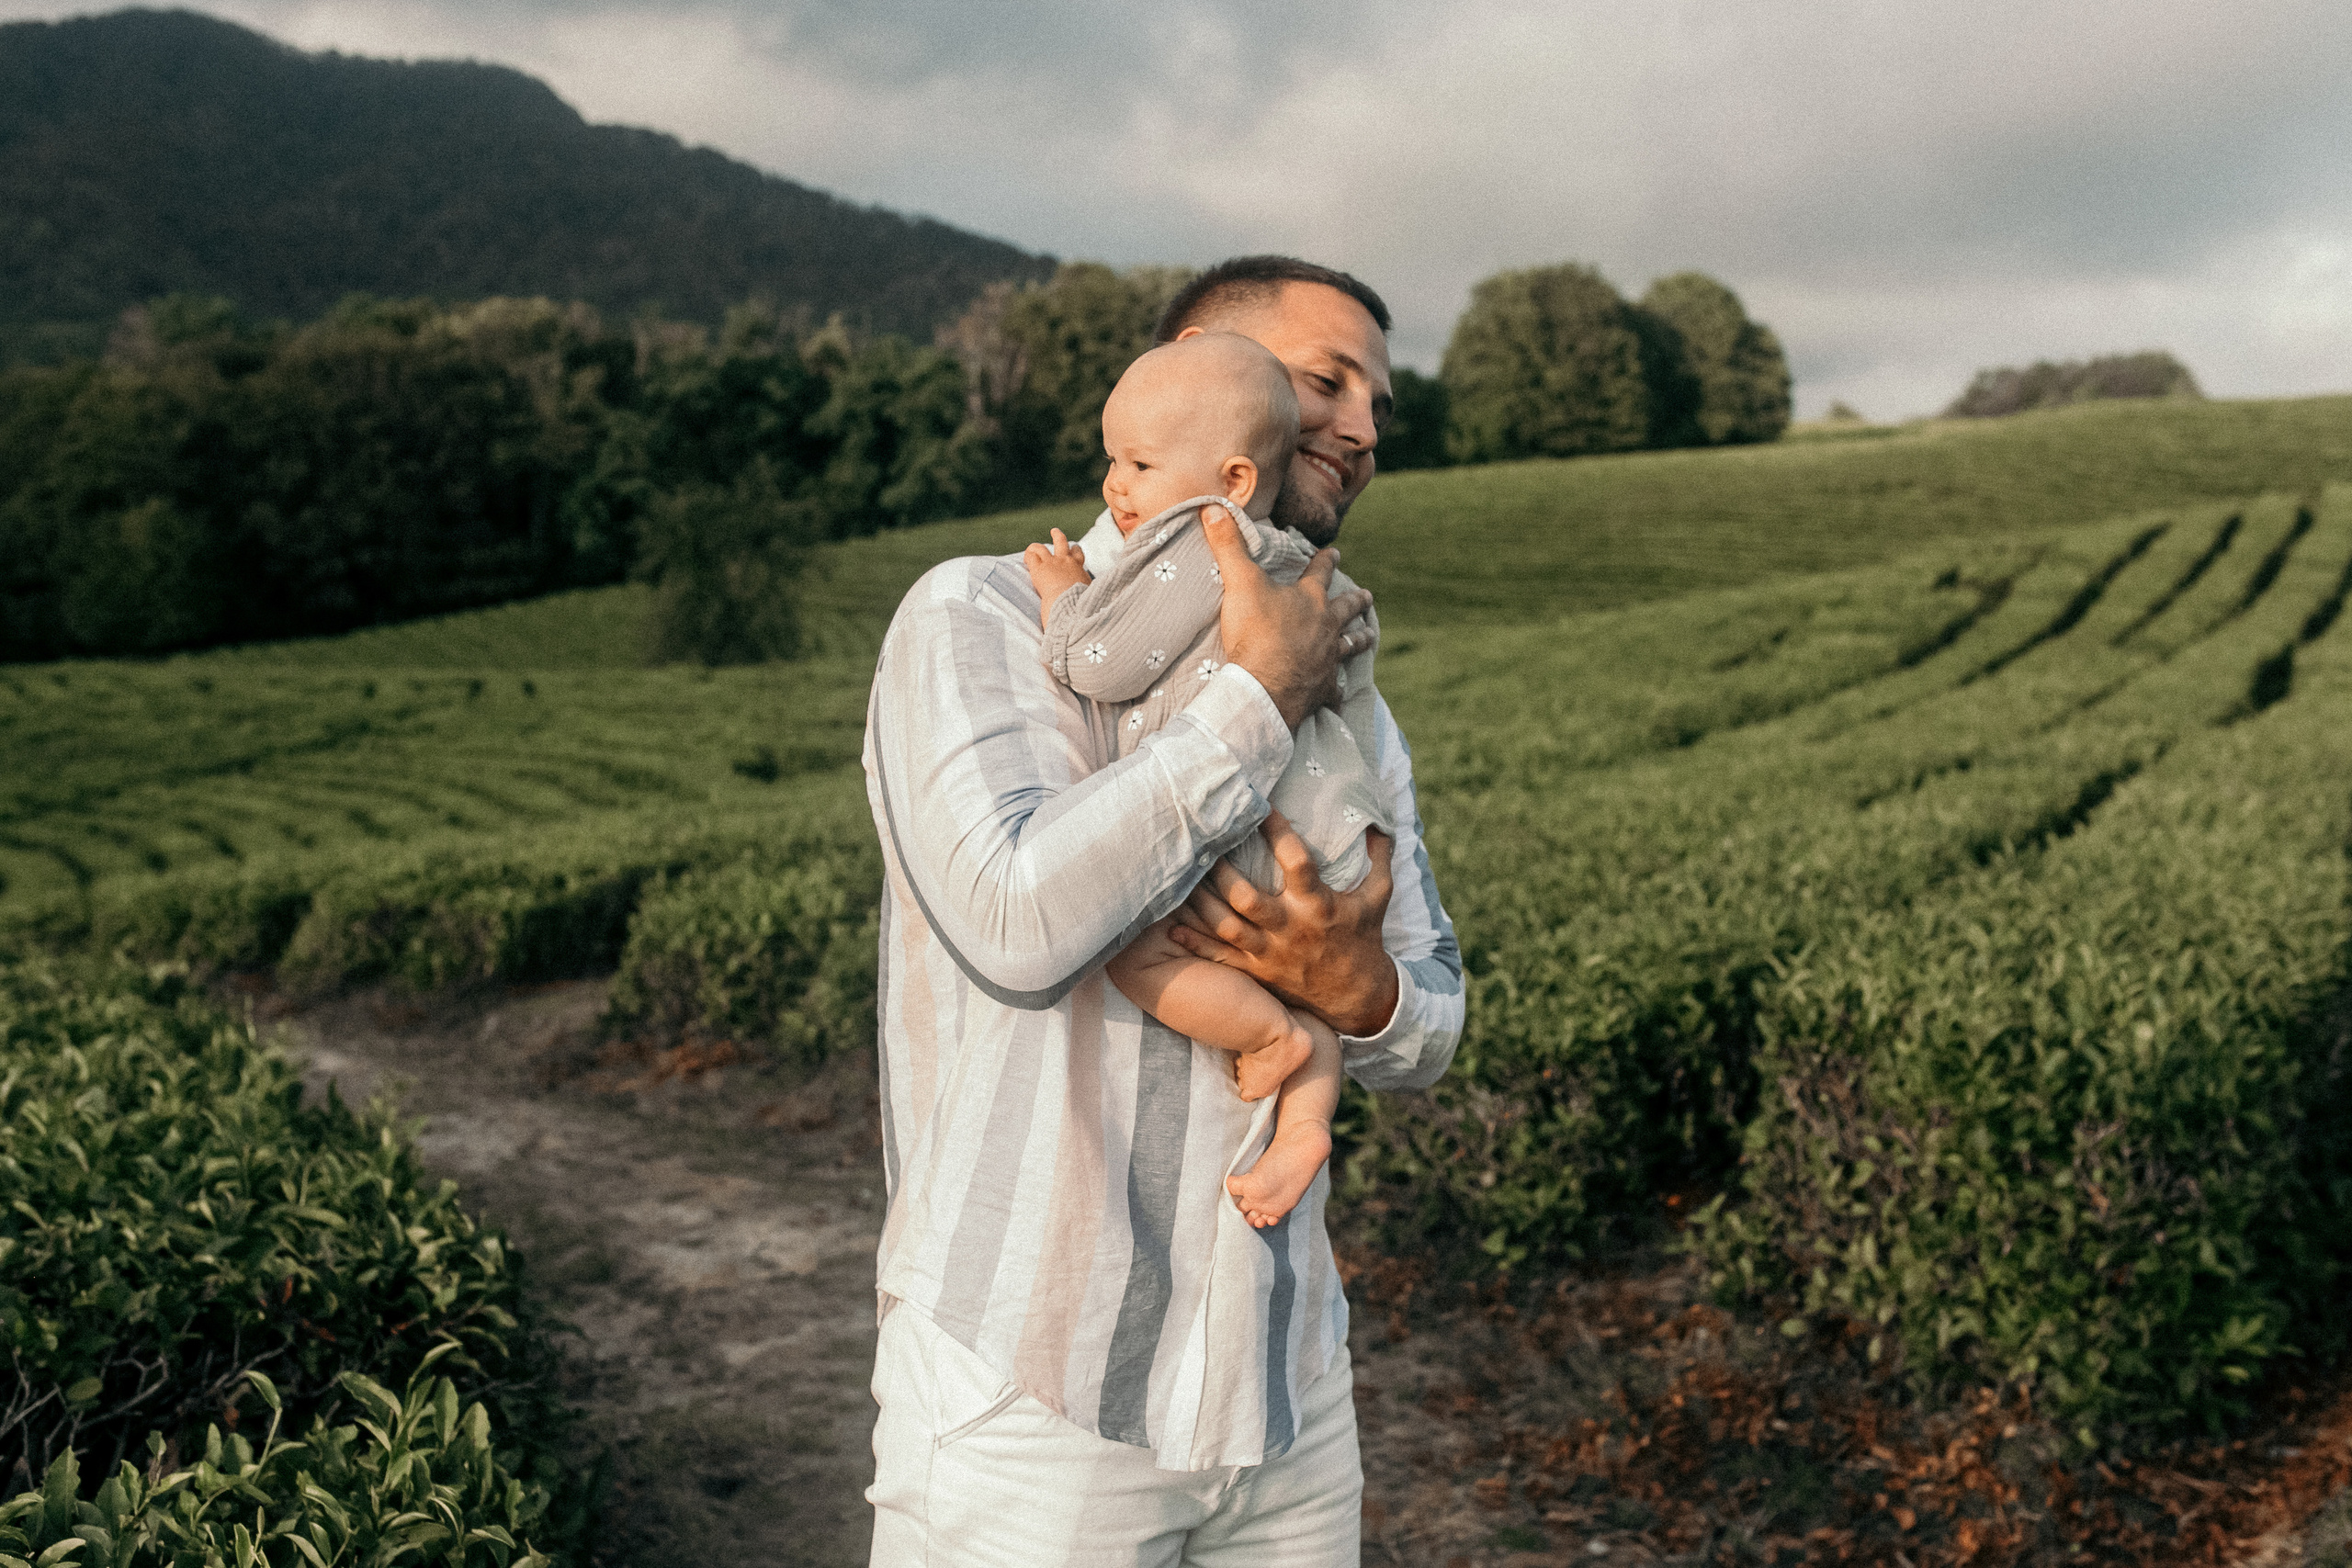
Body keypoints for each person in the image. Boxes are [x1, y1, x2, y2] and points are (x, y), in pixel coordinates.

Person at [861, 256, 1461, 1566]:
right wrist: (1258, 696)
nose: (1363, 427)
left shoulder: (1353, 683)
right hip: (1035, 1392)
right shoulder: (980, 613)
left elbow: (1432, 1014)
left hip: (1284, 1391)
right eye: (1326, 380)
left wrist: (1361, 992)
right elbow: (1018, 923)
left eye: (1379, 400)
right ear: (1206, 367)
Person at [1020, 331, 1389, 1229]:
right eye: (1112, 460)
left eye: (1139, 463)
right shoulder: (1297, 564)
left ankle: (1268, 1038)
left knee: (1133, 948)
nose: (1116, 487)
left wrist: (1061, 598)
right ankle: (1304, 1121)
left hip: (1252, 833)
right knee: (1317, 986)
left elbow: (1101, 660)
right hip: (1329, 836)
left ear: (1227, 482)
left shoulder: (1196, 540)